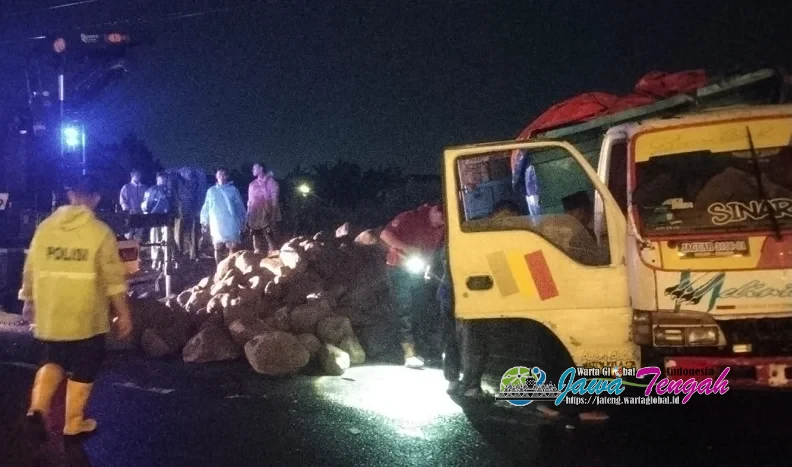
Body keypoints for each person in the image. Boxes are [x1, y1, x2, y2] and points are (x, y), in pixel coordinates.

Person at [20, 175, 133, 440]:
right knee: (84, 366)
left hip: (51, 314)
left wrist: (28, 300)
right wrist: (123, 313)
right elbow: (113, 279)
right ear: (96, 198)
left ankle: (37, 408)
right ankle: (73, 423)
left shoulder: (45, 228)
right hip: (87, 317)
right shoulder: (100, 232)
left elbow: (30, 268)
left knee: (52, 360)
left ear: (70, 195)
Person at [380, 203, 445, 368]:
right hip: (398, 268)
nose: (441, 225)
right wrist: (407, 248)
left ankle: (425, 350)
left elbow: (434, 250)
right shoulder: (409, 217)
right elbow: (385, 235)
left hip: (419, 270)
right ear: (435, 211)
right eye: (440, 220)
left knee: (422, 309)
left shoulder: (441, 226)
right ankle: (408, 353)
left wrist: (429, 266)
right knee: (404, 309)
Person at [200, 167, 247, 264]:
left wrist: (243, 220)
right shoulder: (211, 191)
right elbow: (206, 207)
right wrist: (204, 221)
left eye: (223, 174)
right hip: (216, 221)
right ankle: (219, 268)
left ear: (227, 176)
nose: (221, 176)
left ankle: (232, 268)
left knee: (232, 246)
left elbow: (239, 206)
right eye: (219, 174)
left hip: (231, 221)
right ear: (216, 176)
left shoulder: (233, 190)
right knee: (217, 247)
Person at [434, 243, 461, 392]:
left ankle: (454, 378)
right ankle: (466, 382)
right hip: (455, 292)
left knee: (451, 337)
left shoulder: (449, 241)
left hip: (450, 291)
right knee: (466, 338)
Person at [247, 163, 281, 255]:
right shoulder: (252, 184)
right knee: (255, 235)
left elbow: (274, 199)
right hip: (255, 214)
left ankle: (272, 252)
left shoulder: (272, 182)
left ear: (261, 168)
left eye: (255, 168)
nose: (252, 170)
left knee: (269, 234)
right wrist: (248, 214)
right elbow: (250, 201)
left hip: (267, 212)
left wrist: (273, 214)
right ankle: (256, 254)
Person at [141, 172, 172, 271]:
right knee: (155, 239)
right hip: (156, 218)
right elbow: (146, 204)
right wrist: (148, 214)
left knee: (167, 240)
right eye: (162, 178)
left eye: (165, 178)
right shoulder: (152, 190)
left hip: (167, 218)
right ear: (157, 179)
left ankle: (166, 260)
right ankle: (156, 260)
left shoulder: (169, 190)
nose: (164, 180)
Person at [118, 169, 146, 240]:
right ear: (132, 176)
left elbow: (146, 200)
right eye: (136, 175)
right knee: (129, 235)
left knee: (139, 235)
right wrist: (126, 210)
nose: (138, 176)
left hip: (140, 214)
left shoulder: (144, 188)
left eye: (139, 175)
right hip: (130, 214)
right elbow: (122, 200)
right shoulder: (126, 187)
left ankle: (137, 246)